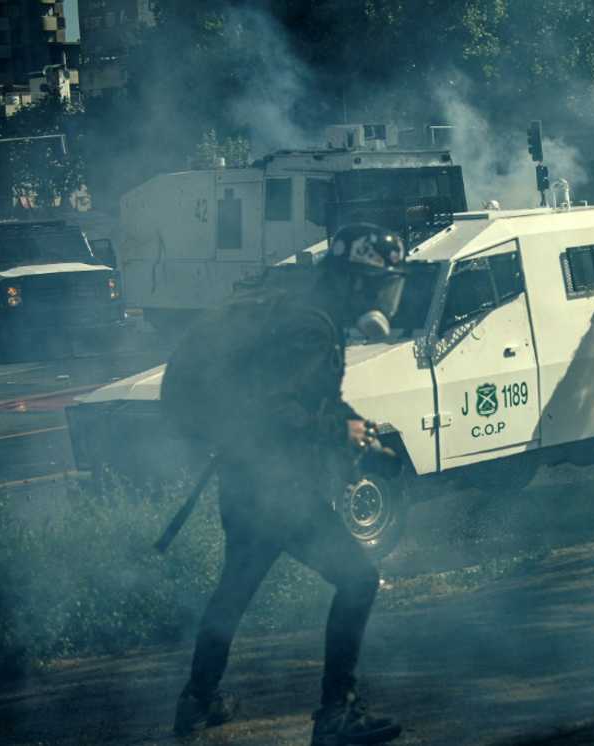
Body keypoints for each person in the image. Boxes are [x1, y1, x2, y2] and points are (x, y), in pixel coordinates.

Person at [169, 223, 408, 745]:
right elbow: (280, 410)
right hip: (278, 493)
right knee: (358, 580)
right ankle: (336, 714)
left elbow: (307, 397)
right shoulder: (312, 325)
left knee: (233, 592)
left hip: (246, 483)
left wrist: (357, 432)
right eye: (379, 284)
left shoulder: (302, 312)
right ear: (354, 283)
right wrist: (335, 428)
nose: (384, 296)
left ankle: (198, 699)